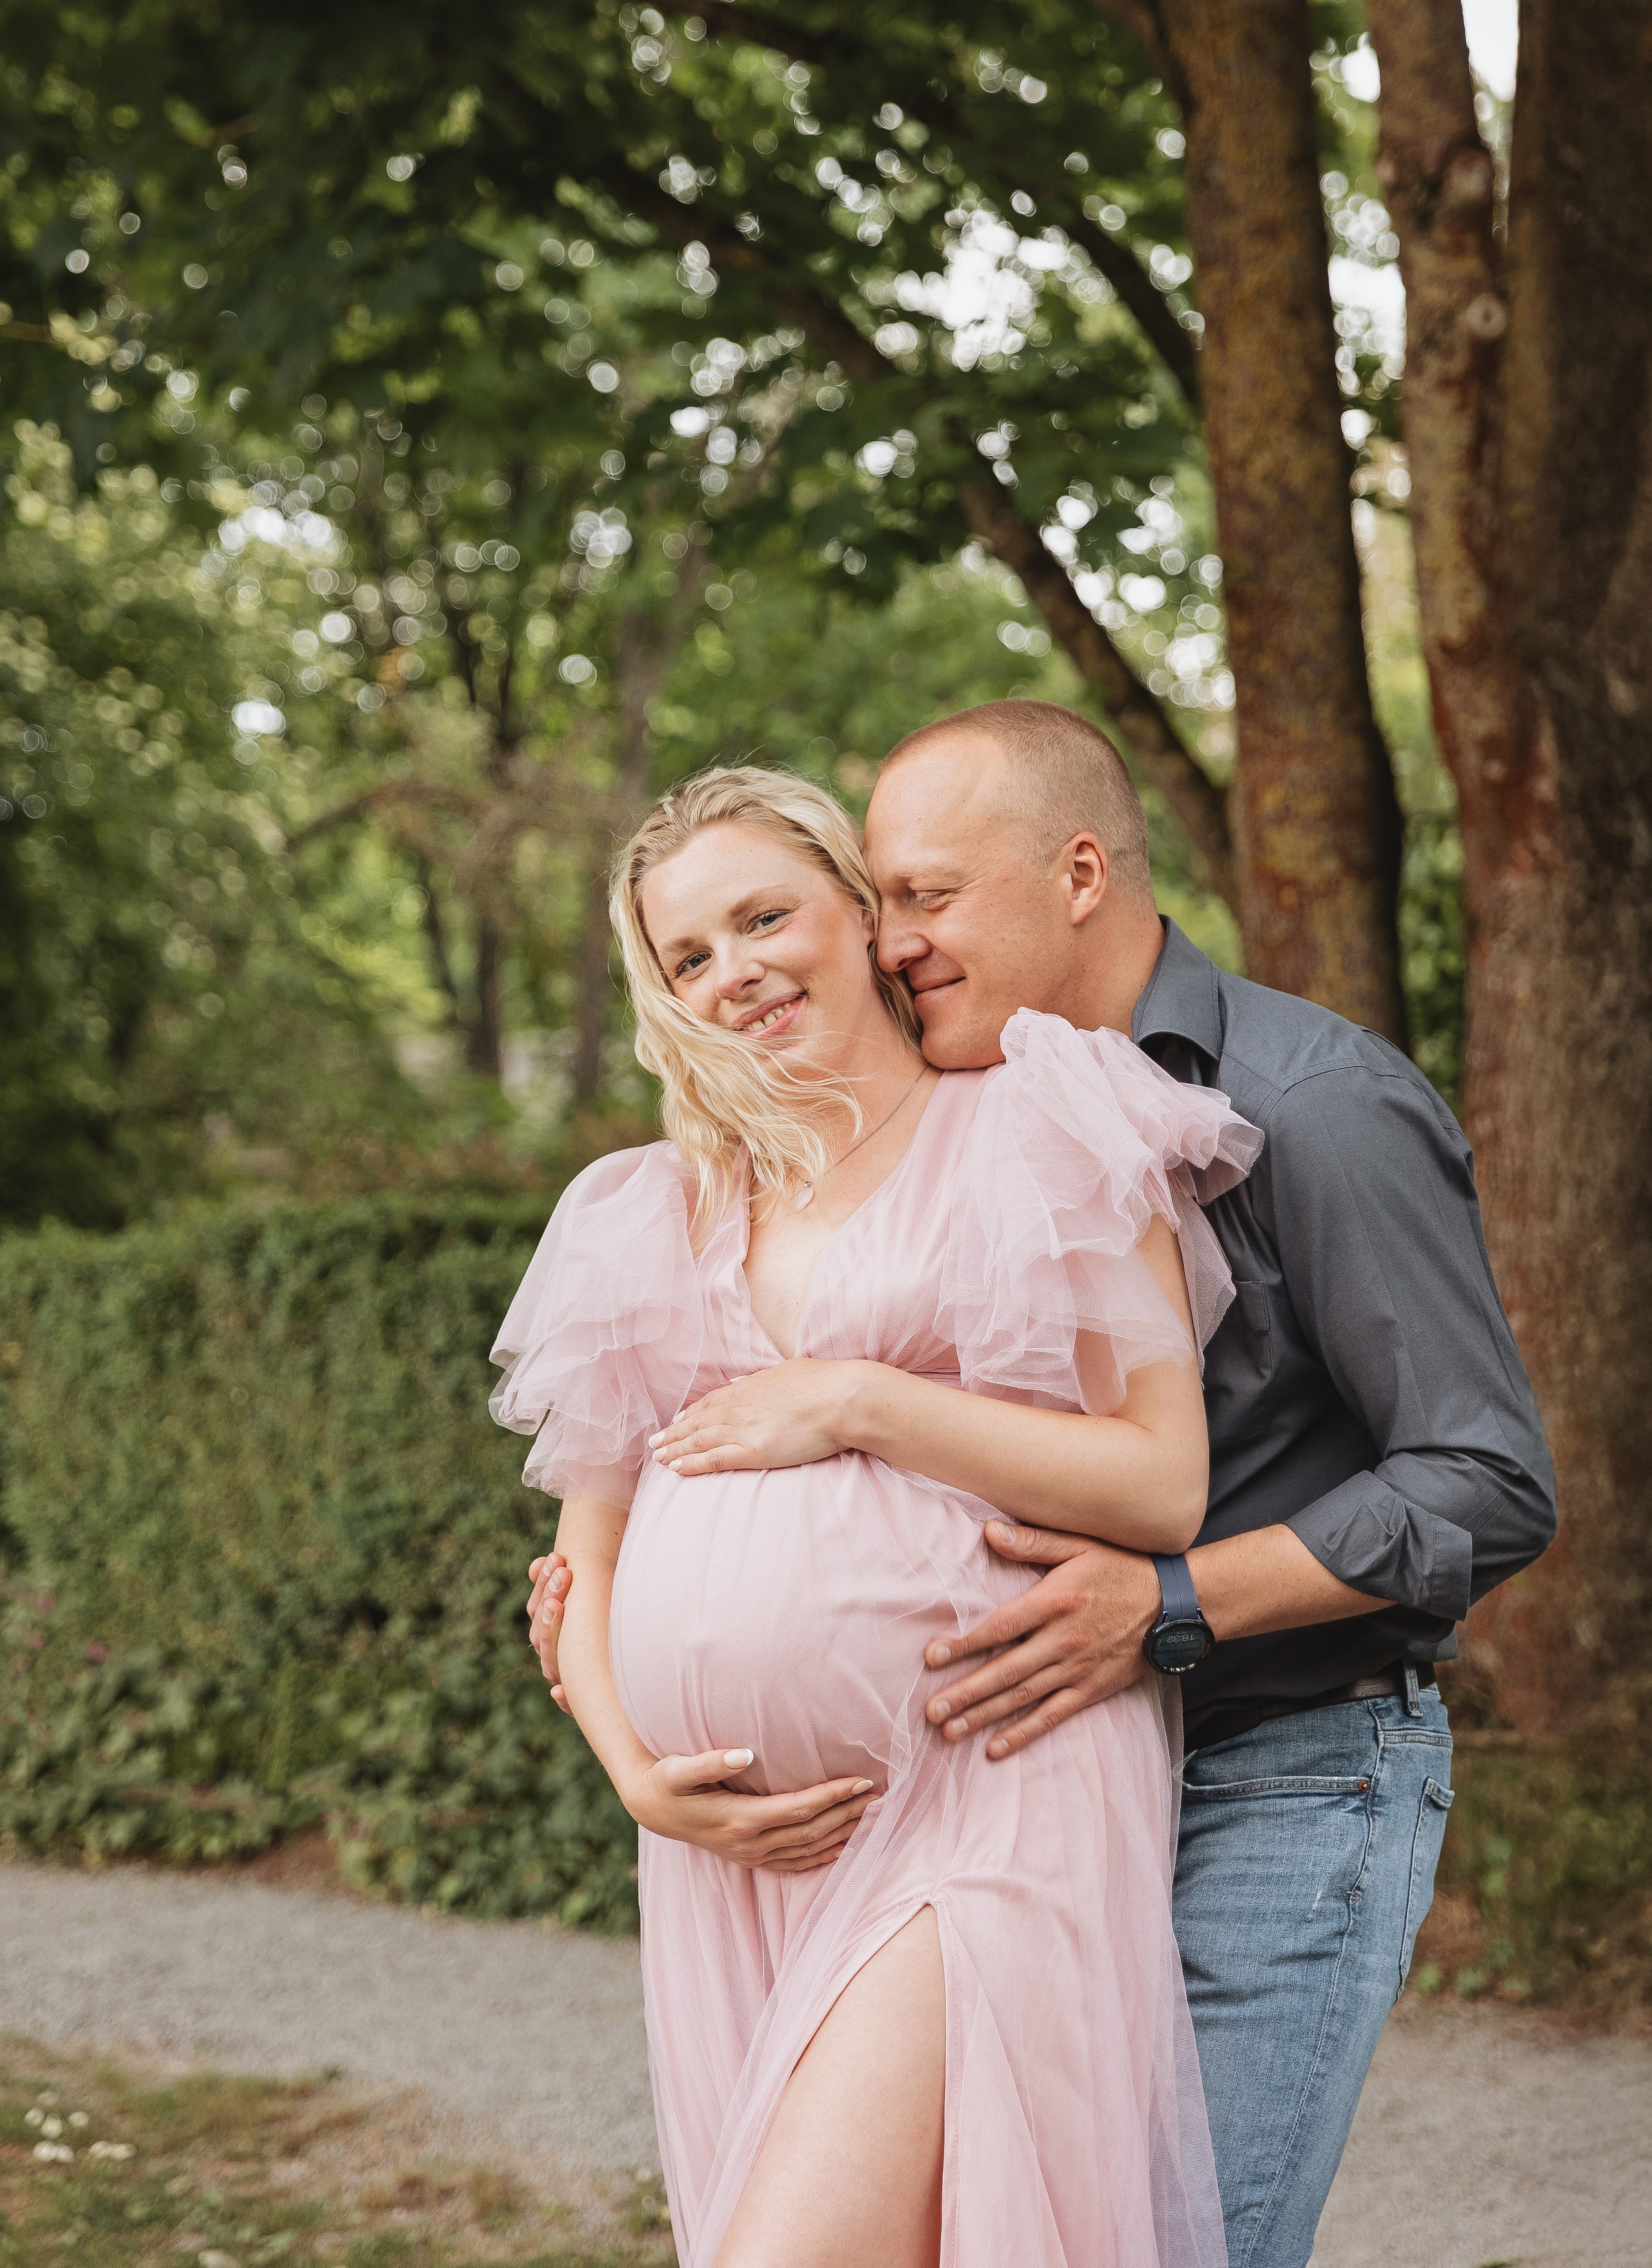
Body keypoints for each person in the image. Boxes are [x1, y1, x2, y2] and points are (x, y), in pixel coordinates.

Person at [527, 701, 1556, 2268]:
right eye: (883, 897)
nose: (899, 938)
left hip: (1268, 1753)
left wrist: (1166, 1604)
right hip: (995, 1757)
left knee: (1165, 2241)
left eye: (924, 896)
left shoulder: (1304, 1099)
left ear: (1077, 872)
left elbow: (1482, 1481)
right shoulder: (882, 1130)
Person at [495, 761, 1262, 2268]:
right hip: (730, 1856)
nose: (736, 972)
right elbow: (582, 1561)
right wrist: (634, 1774)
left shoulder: (1035, 1127)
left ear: (858, 911)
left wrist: (858, 1401)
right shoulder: (646, 1209)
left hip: (986, 1788)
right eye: (687, 955)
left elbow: (1160, 1481)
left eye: (761, 916)